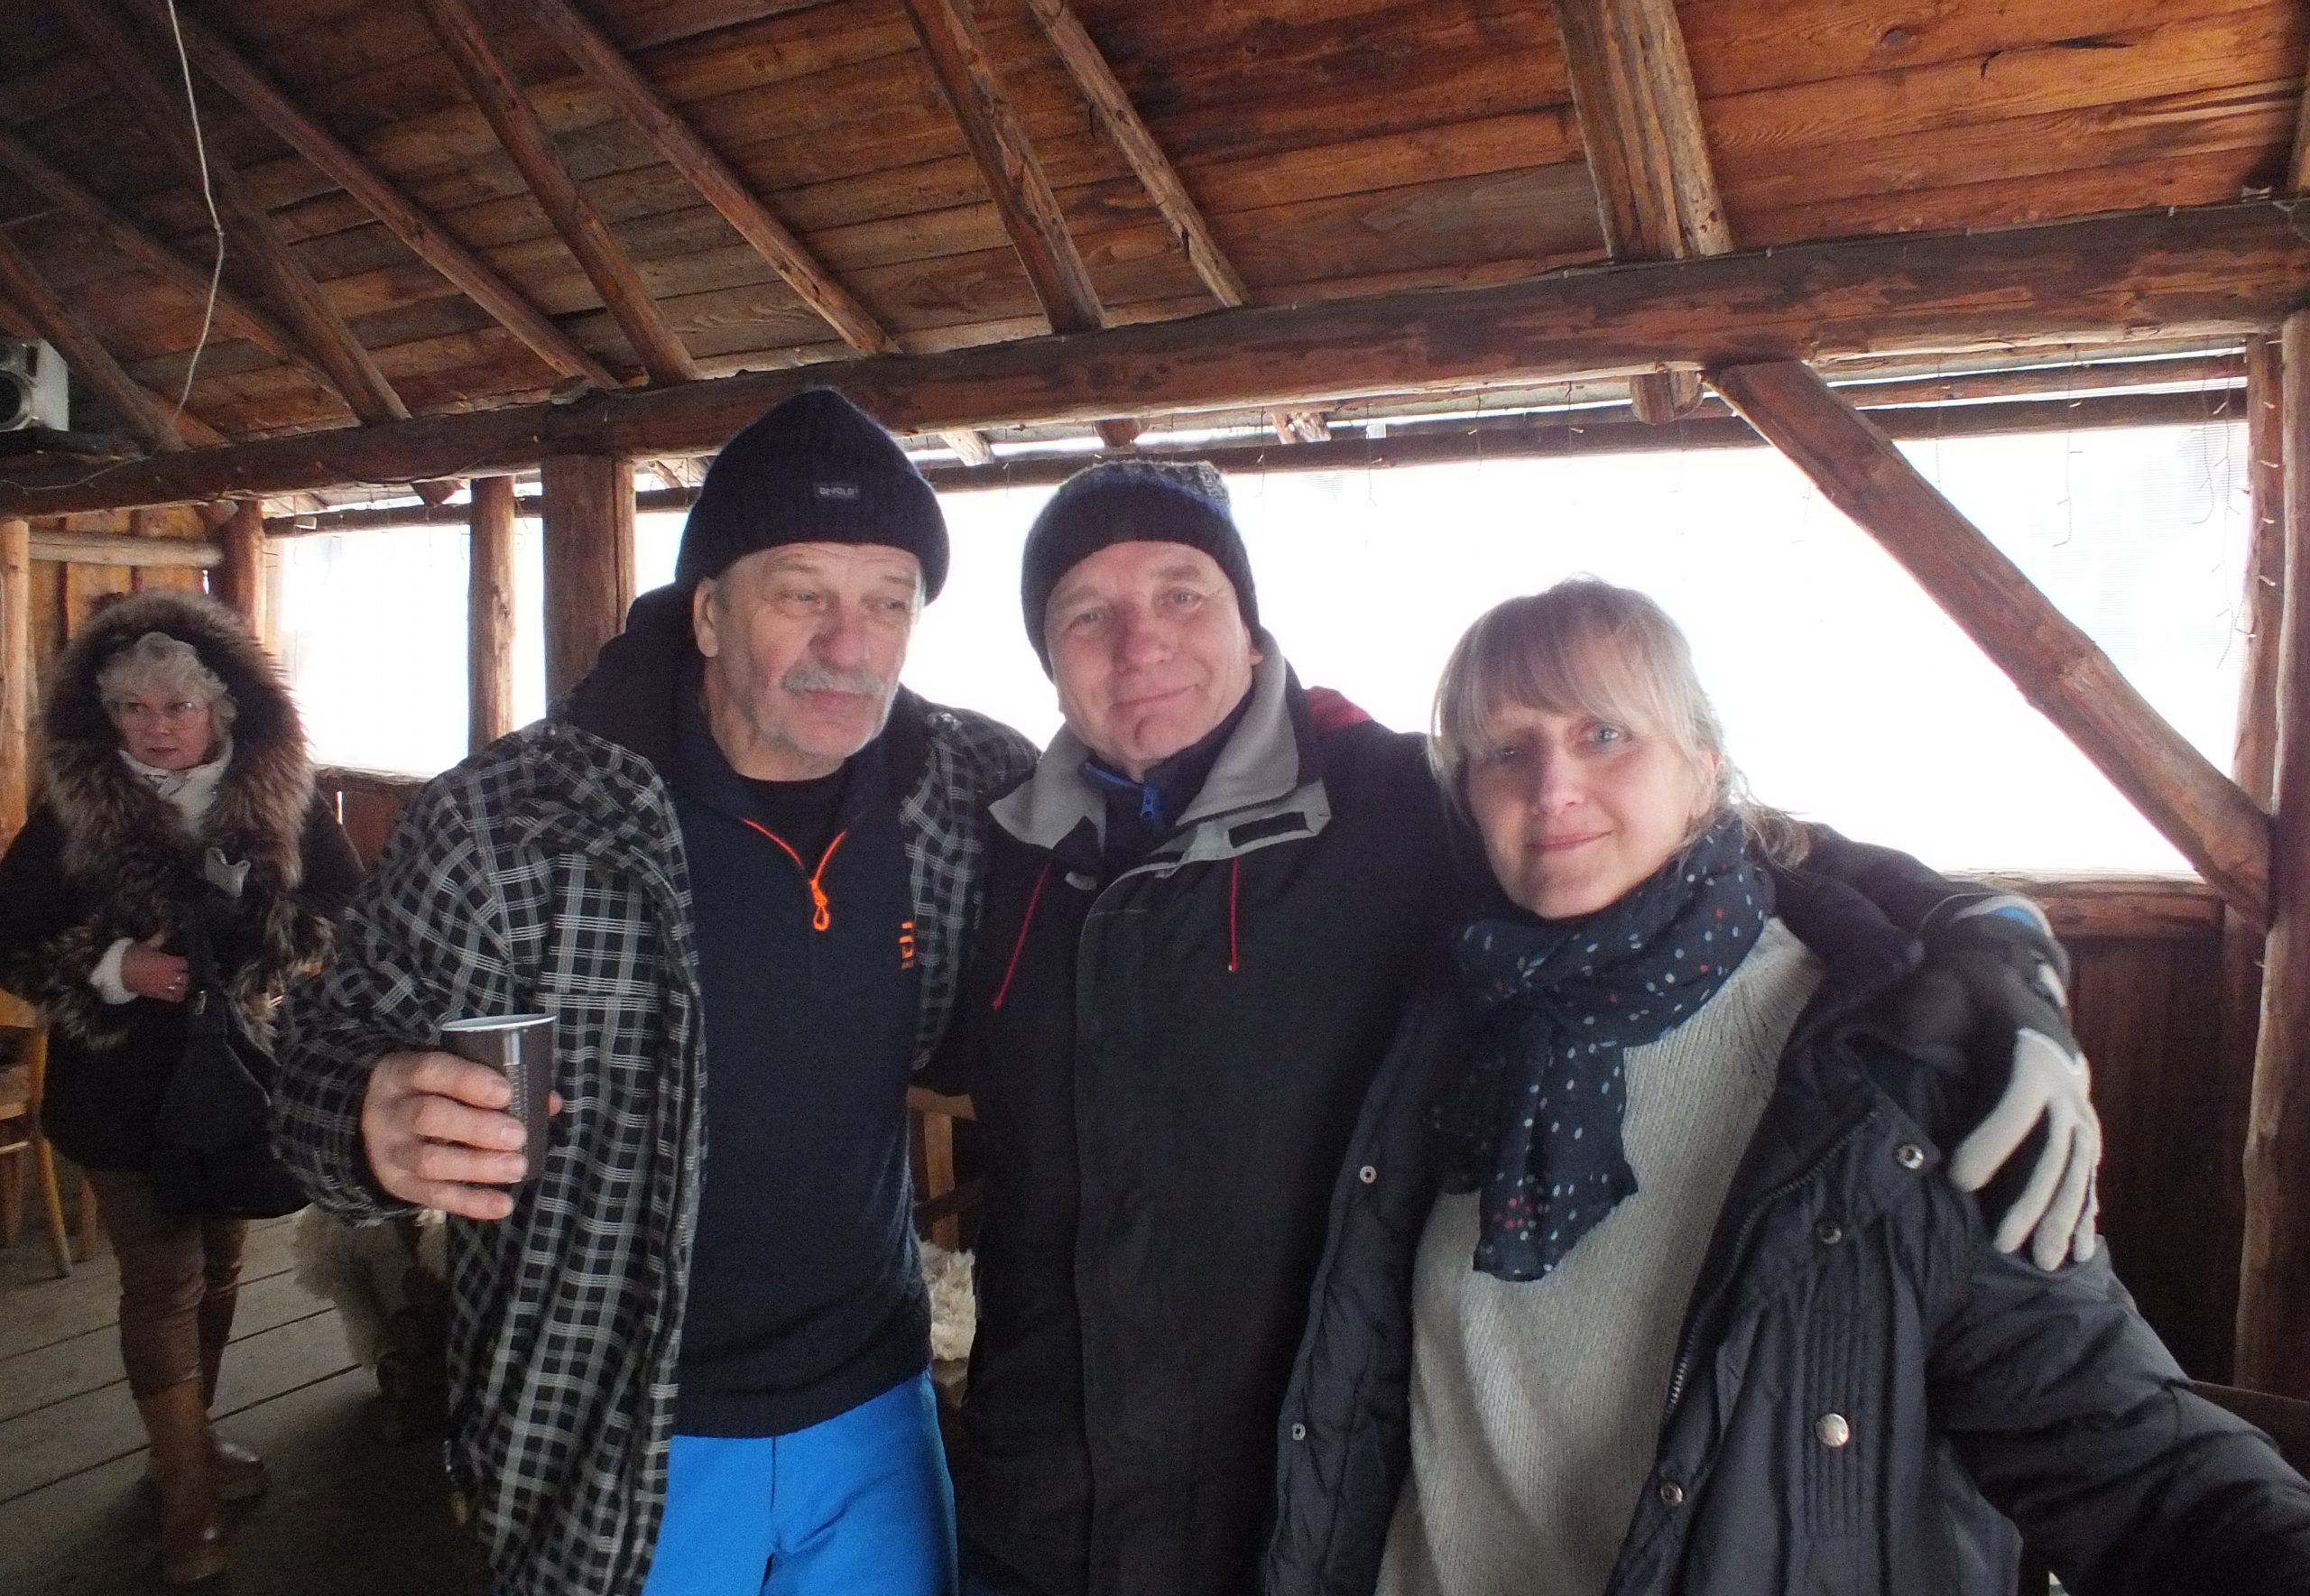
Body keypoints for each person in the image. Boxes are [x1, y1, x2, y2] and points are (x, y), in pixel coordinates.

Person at [933, 462, 2101, 1596]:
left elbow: (1719, 844)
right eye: (1086, 614)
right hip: (1035, 1518)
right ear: (1048, 657)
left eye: (1181, 592)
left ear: (1247, 621)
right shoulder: (1009, 853)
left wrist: (1999, 956)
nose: (1140, 642)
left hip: (1273, 1526)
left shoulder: (1393, 804)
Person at [1264, 578, 2310, 1596]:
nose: (1551, 788)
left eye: (1604, 734)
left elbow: (2128, 1452)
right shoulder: (1435, 1023)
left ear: (1703, 769)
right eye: (1506, 751)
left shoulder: (1888, 1075)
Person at [271, 391, 1036, 1596]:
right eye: (802, 594)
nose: (851, 645)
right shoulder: (509, 820)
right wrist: (363, 1119)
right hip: (614, 1424)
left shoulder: (966, 788)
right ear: (711, 611)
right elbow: (316, 1058)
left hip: (878, 1411)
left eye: (889, 601)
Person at [0, 591, 361, 1585]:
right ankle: (188, 1497)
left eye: (178, 708)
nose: (155, 729)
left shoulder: (283, 797)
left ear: (223, 709)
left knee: (224, 1263)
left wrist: (264, 951)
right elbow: (11, 934)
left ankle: (184, 1445)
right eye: (133, 709)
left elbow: (343, 903)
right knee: (164, 1280)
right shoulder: (72, 810)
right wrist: (118, 967)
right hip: (122, 1087)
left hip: (243, 1077)